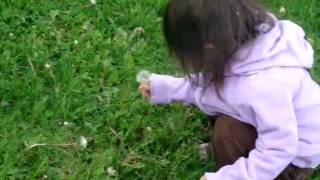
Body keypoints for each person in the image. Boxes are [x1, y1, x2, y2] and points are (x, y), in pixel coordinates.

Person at [138, 0, 320, 179]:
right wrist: (163, 88)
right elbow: (207, 87)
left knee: (228, 131)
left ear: (209, 48)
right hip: (276, 128)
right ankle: (233, 150)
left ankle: (238, 162)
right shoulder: (241, 46)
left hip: (292, 159)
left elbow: (279, 149)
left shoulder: (266, 86)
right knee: (217, 92)